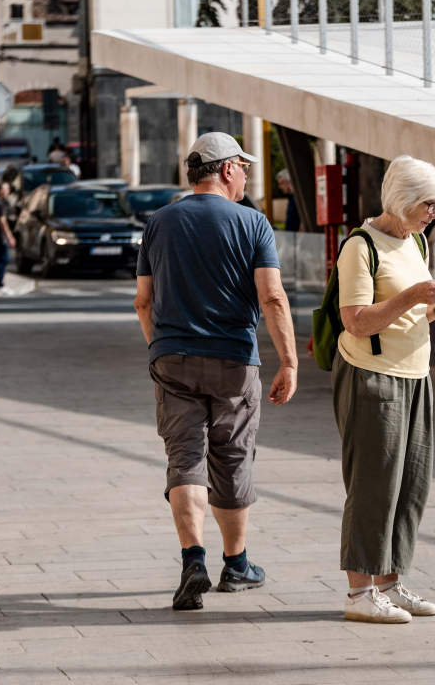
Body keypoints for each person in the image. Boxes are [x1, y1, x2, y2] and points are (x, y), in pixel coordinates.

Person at [134, 132, 298, 611]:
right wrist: (289, 361)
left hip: (172, 357)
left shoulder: (158, 222)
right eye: (243, 167)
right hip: (233, 360)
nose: (246, 175)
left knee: (185, 458)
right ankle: (236, 564)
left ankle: (193, 560)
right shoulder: (252, 223)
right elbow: (272, 297)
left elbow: (143, 300)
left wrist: (161, 346)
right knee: (232, 459)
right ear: (226, 169)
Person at [334, 155, 435, 624]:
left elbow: (415, 313)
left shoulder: (417, 242)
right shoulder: (361, 246)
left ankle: (389, 584)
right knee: (374, 485)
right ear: (403, 199)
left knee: (411, 485)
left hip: (415, 374)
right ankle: (359, 593)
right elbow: (356, 320)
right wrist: (413, 295)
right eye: (429, 204)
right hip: (373, 375)